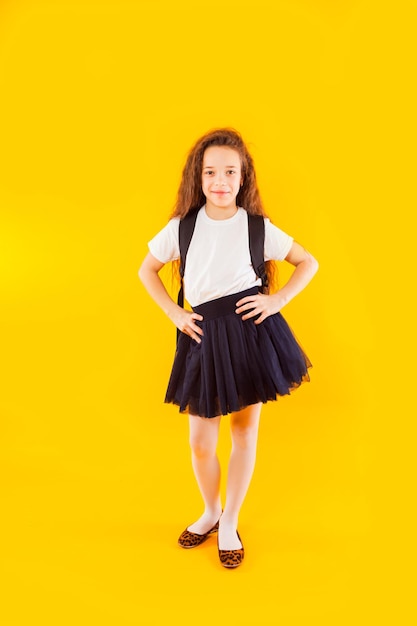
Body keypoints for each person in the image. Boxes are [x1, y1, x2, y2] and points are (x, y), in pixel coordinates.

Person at [138, 128, 318, 568]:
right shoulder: (181, 227)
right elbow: (146, 271)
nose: (220, 181)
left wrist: (276, 301)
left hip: (248, 335)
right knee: (201, 442)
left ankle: (231, 521)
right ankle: (210, 511)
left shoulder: (258, 228)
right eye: (211, 172)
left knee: (242, 431)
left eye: (230, 172)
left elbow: (308, 262)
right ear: (198, 178)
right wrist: (175, 314)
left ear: (244, 178)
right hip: (201, 336)